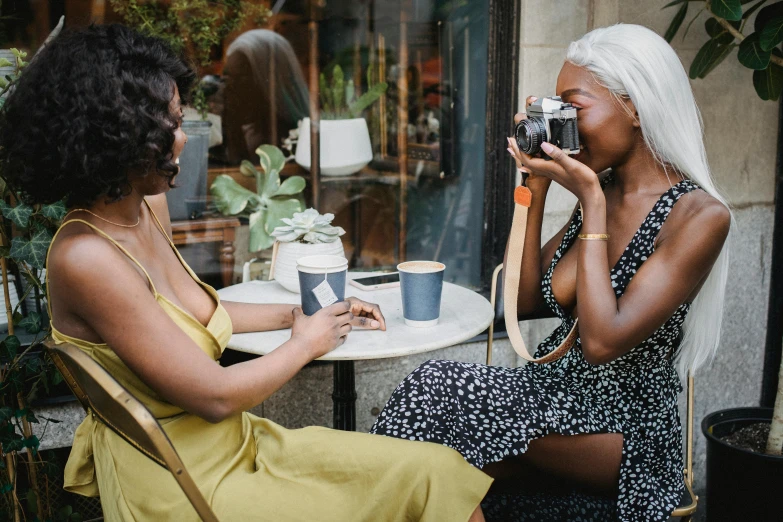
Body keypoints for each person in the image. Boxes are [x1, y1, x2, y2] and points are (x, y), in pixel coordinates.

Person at [0, 24, 492, 521]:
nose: (183, 140)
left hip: (239, 444)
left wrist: (306, 312)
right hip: (187, 481)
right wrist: (306, 343)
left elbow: (199, 311)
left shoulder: (147, 205)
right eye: (167, 126)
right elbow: (215, 396)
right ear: (113, 136)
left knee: (437, 473)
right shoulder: (86, 257)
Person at [371, 24, 731, 522]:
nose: (567, 128)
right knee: (435, 461)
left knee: (440, 389)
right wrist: (535, 186)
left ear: (634, 106)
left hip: (626, 432)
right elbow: (522, 303)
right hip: (553, 401)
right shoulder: (603, 190)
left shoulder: (698, 216)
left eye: (574, 109)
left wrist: (589, 201)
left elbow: (604, 342)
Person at [222, 29, 310, 164]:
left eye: (242, 78)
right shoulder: (231, 125)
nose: (230, 87)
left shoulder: (293, 137)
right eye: (227, 77)